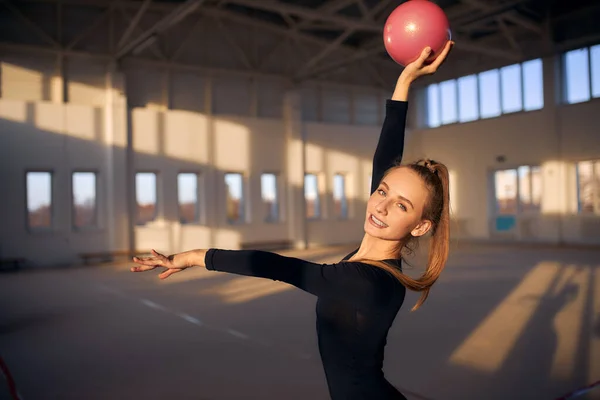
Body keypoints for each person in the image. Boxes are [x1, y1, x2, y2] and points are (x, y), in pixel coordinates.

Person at [131, 41, 455, 400]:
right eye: (381, 192)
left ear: (421, 226)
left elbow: (274, 265)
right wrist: (404, 82)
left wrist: (193, 257)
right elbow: (386, 161)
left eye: (401, 206)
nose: (380, 206)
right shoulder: (375, 261)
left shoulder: (365, 281)